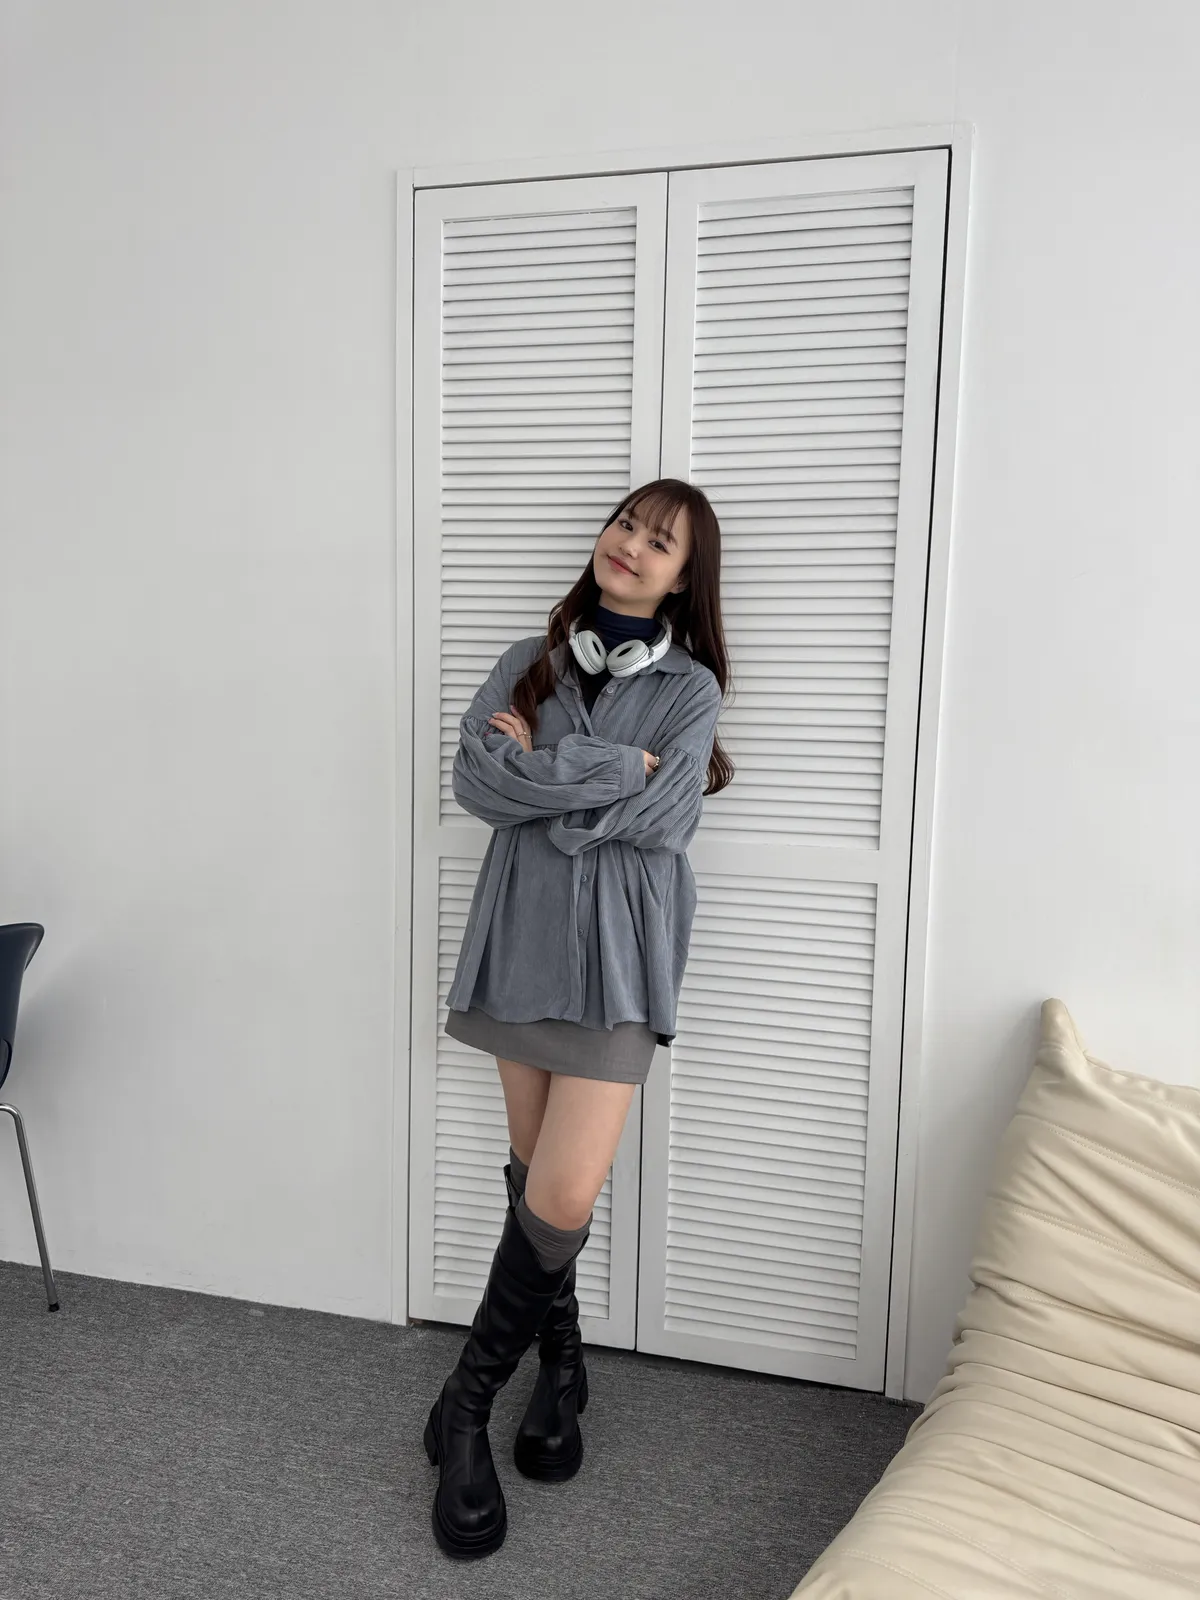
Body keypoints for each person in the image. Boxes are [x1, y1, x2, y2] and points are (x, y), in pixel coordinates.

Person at [423, 477, 734, 1560]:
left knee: (560, 1195)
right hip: (520, 941)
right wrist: (610, 772)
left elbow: (668, 815)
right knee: (532, 1182)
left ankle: (465, 1404)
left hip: (620, 960)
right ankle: (561, 1367)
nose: (632, 546)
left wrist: (543, 774)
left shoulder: (691, 689)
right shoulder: (531, 658)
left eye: (661, 542)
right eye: (627, 525)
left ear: (684, 580)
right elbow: (477, 781)